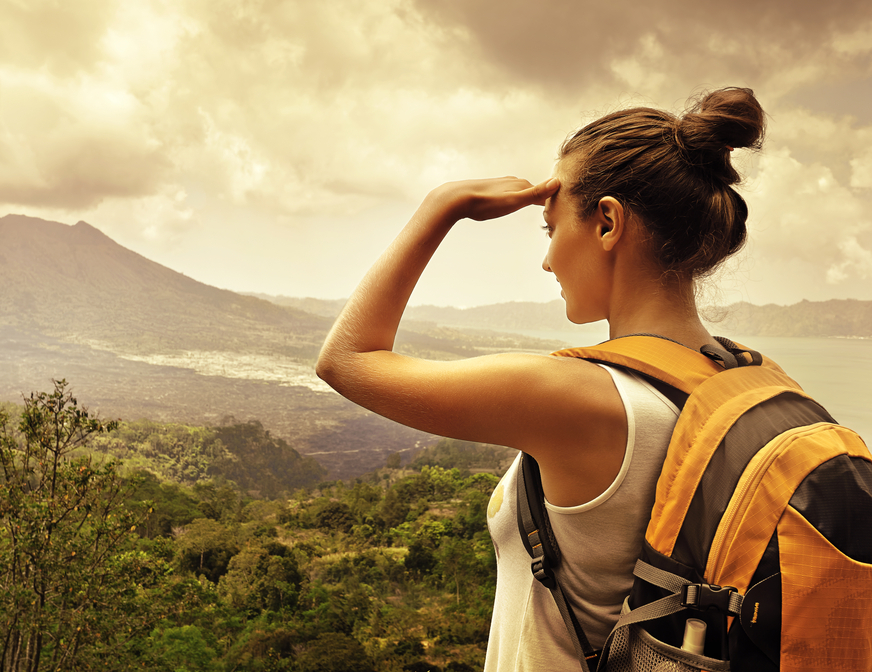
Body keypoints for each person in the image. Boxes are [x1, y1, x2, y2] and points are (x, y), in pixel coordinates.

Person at [315, 87, 766, 671]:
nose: (547, 259)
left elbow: (345, 360)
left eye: (550, 228)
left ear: (607, 222)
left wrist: (440, 206)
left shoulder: (581, 396)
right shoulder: (745, 379)